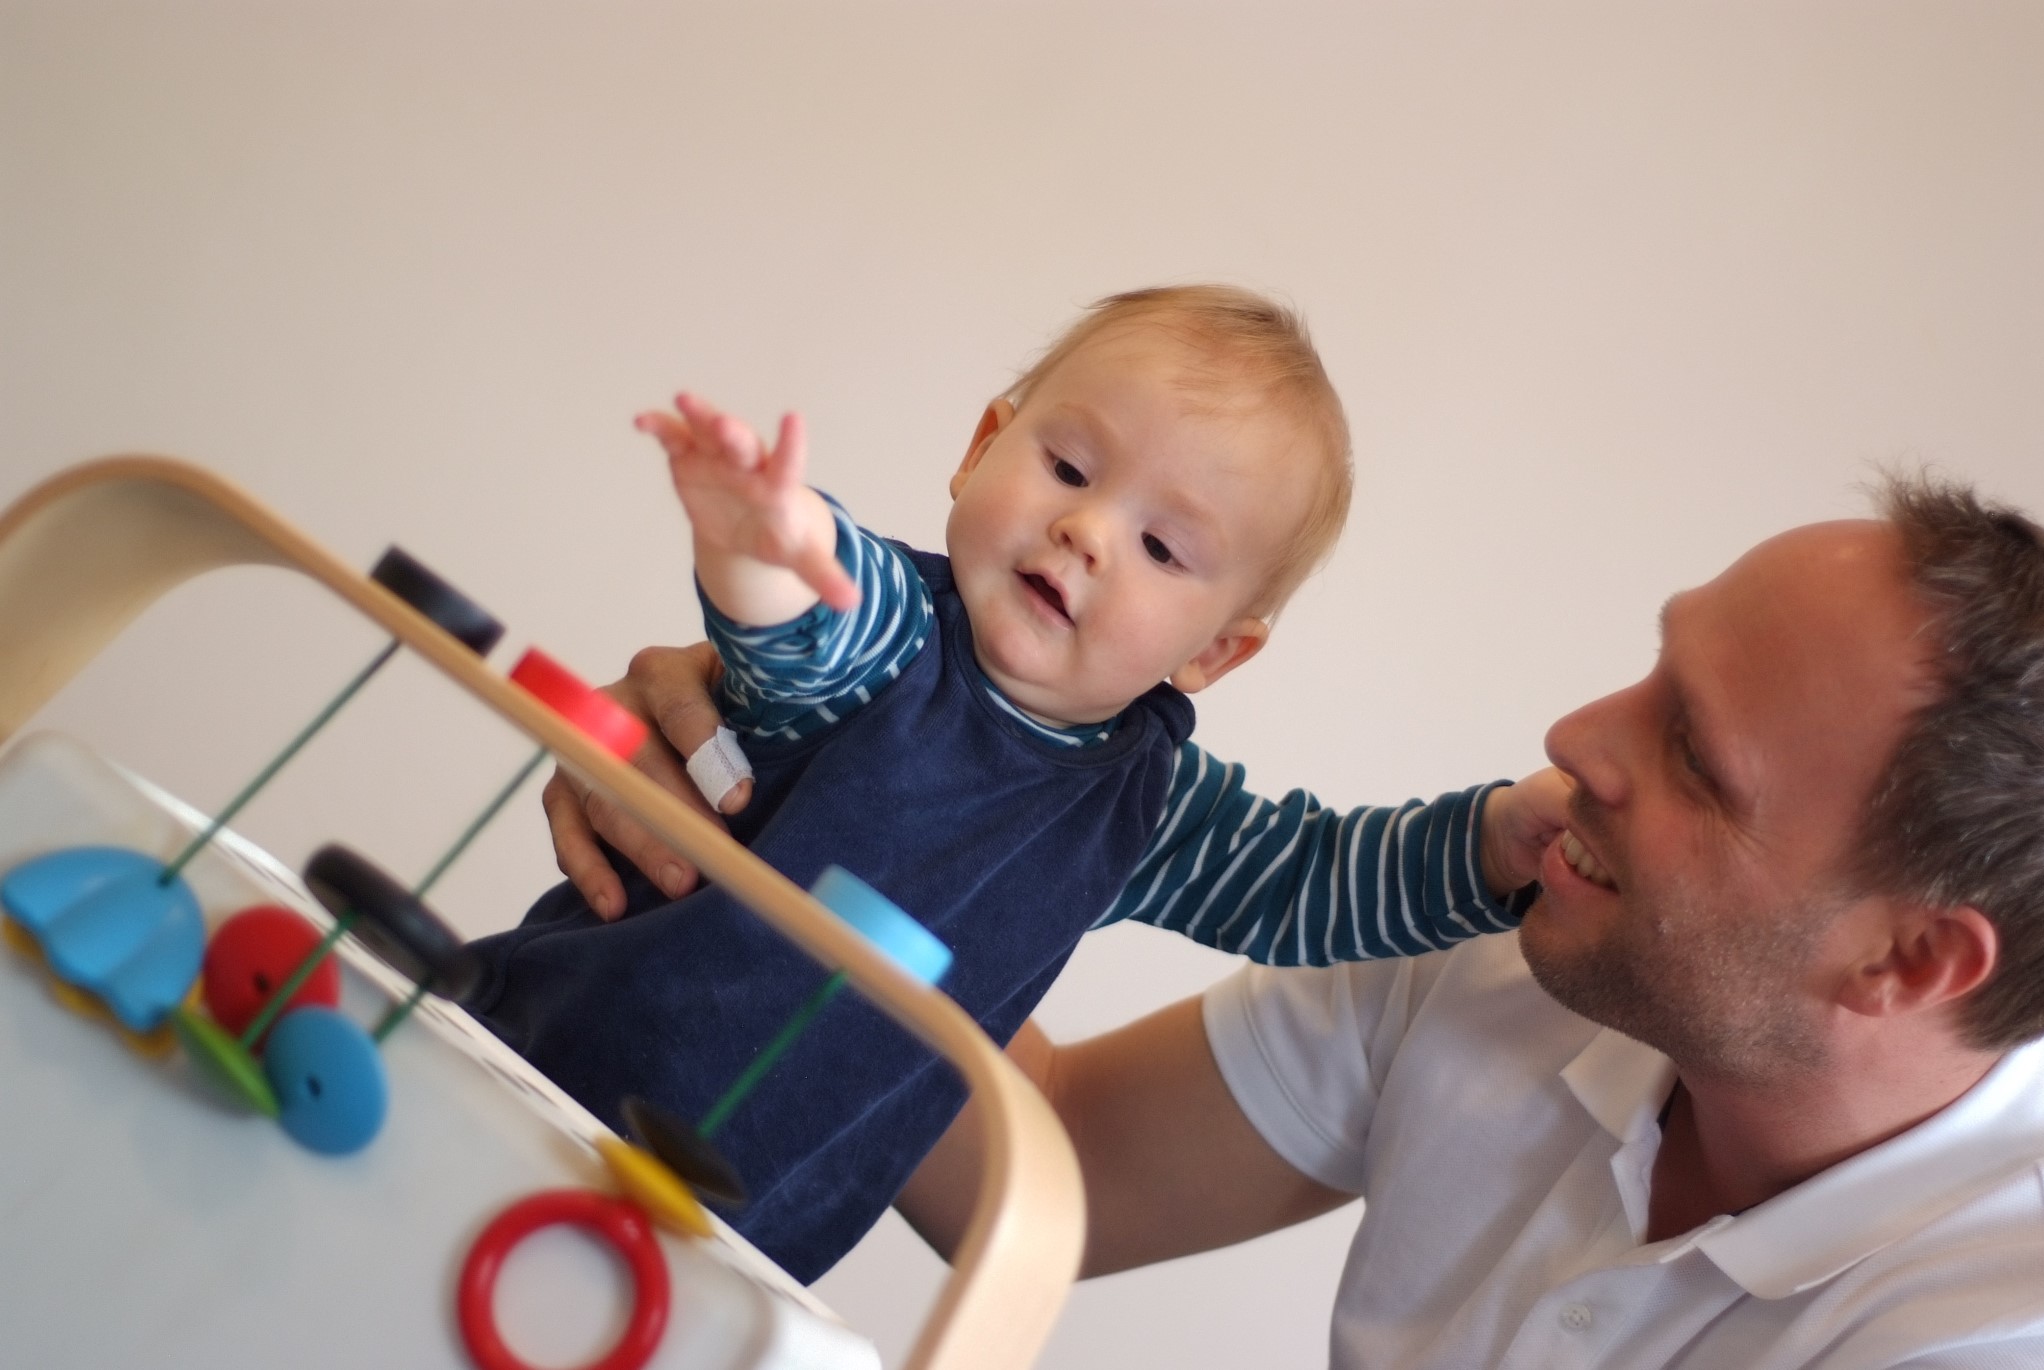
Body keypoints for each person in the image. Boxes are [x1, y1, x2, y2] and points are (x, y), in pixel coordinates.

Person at [564, 475, 2044, 1365]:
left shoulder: (1996, 1321)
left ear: (1908, 958)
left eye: (1693, 759)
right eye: (1649, 676)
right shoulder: (1531, 949)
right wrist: (822, 813)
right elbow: (1055, 1156)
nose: (1581, 733)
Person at [465, 285, 1566, 1282]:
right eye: (1069, 469)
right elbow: (804, 614)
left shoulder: (1145, 807)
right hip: (526, 1068)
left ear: (1213, 654)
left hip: (731, 1236)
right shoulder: (896, 634)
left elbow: (1310, 879)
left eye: (1161, 548)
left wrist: (1487, 842)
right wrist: (755, 540)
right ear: (982, 445)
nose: (1084, 530)